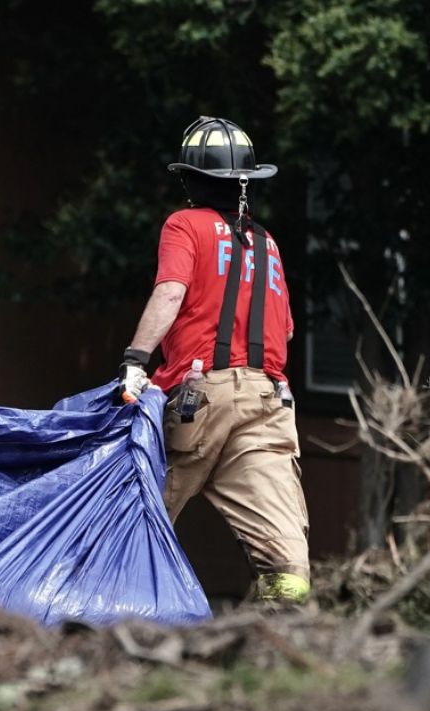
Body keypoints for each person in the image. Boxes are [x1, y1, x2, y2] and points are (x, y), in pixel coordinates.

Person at [117, 116, 310, 602]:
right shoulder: (268, 244)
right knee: (286, 563)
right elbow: (284, 328)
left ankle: (105, 622)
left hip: (198, 400)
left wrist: (136, 359)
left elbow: (170, 293)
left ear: (189, 178)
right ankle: (275, 654)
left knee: (130, 516)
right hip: (268, 405)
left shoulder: (183, 225)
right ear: (248, 181)